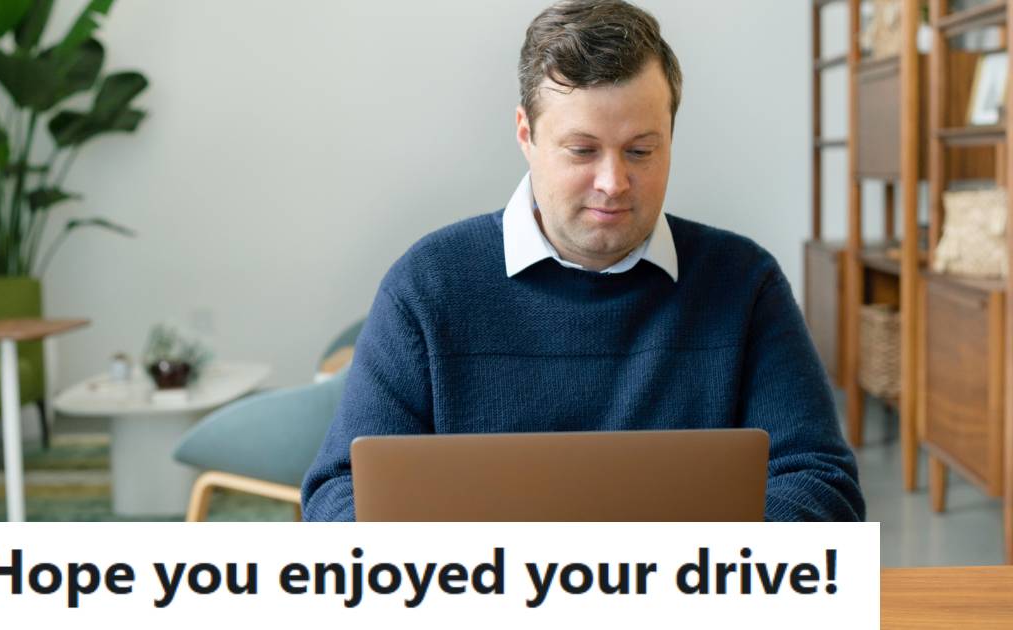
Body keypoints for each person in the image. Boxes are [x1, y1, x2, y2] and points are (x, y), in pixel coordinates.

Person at [302, 0, 865, 522]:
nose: (613, 183)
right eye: (582, 150)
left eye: (642, 150)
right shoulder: (428, 285)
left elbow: (822, 483)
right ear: (526, 133)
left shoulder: (744, 284)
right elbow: (339, 493)